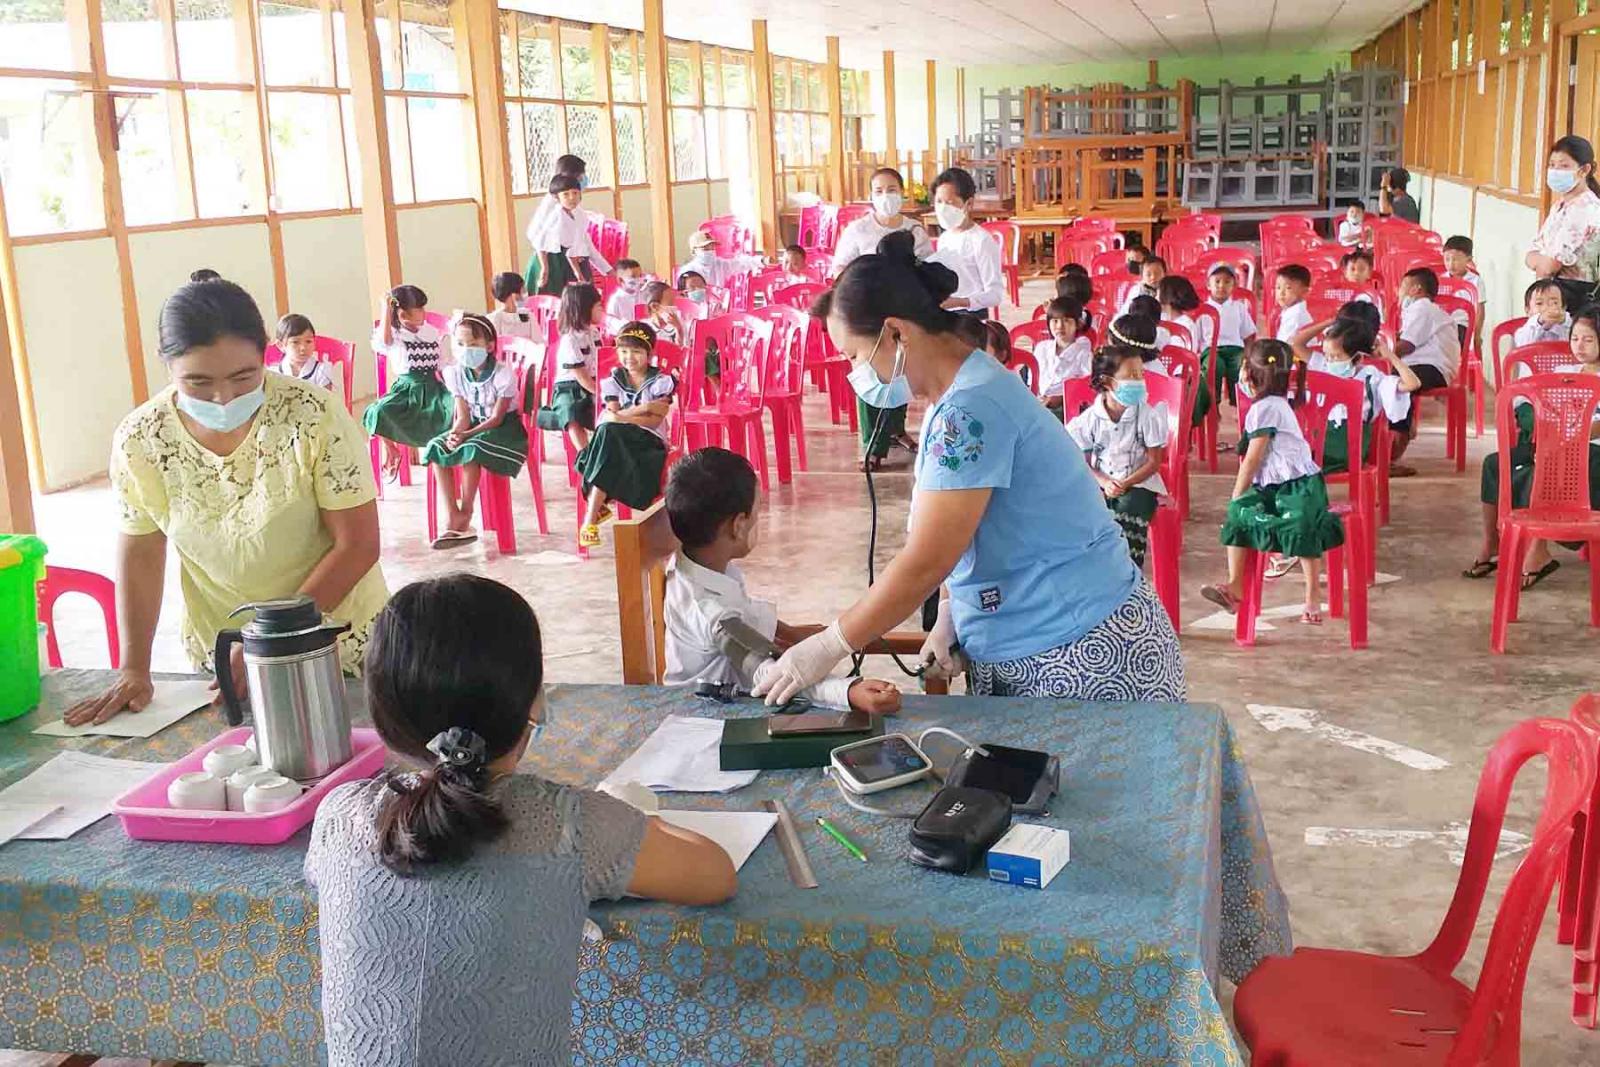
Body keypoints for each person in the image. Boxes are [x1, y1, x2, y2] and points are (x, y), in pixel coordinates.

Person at [306, 574, 735, 1067]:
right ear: (533, 705)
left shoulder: (338, 817)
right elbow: (714, 874)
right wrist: (625, 818)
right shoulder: (567, 824)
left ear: (382, 714)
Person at [751, 230, 1185, 704]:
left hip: (1079, 652)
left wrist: (828, 645)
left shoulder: (968, 410)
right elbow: (967, 531)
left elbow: (928, 559)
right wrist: (952, 613)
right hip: (1047, 636)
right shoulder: (965, 389)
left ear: (895, 333)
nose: (857, 372)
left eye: (855, 355)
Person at [65, 280, 387, 725]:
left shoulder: (312, 416)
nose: (223, 398)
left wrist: (269, 641)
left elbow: (357, 545)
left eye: (243, 377)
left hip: (331, 638)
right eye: (198, 382)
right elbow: (141, 551)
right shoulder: (142, 439)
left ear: (265, 355)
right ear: (167, 365)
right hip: (223, 653)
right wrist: (134, 668)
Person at [662, 447, 902, 713]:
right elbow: (769, 675)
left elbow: (744, 616)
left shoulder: (696, 566)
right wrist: (847, 692)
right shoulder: (711, 614)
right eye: (758, 511)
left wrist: (789, 633)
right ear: (738, 526)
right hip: (706, 718)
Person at [1201, 340, 1344, 626]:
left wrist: (1236, 493)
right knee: (1238, 514)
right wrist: (1239, 502)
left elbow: (1252, 459)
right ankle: (1234, 586)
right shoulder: (1269, 404)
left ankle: (1312, 595)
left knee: (1301, 525)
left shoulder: (1267, 408)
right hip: (1271, 486)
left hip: (1300, 486)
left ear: (1249, 373)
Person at [1465, 305, 1600, 585]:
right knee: (1495, 464)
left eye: (1588, 339)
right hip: (1559, 445)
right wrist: (1550, 444)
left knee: (1544, 472)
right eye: (1575, 338)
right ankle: (1492, 542)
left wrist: (1565, 445)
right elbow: (1548, 415)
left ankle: (1539, 549)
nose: (1579, 346)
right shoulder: (1565, 371)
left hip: (1592, 452)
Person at [833, 168, 936, 468]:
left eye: (891, 190)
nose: (886, 196)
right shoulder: (858, 230)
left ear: (902, 193)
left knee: (901, 371)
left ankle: (895, 429)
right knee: (871, 375)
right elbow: (839, 269)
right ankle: (872, 445)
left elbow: (929, 269)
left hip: (905, 311)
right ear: (870, 196)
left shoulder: (915, 231)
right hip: (867, 315)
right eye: (879, 191)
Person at [419, 314, 527, 550]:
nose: (466, 350)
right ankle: (453, 513)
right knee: (438, 447)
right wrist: (455, 433)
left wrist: (466, 436)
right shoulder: (455, 373)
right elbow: (463, 417)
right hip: (473, 425)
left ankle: (466, 513)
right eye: (461, 344)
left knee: (471, 450)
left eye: (474, 344)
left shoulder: (502, 374)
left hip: (503, 429)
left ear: (489, 346)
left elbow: (497, 418)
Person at [574, 322, 675, 548]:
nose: (629, 357)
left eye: (636, 351)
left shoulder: (660, 381)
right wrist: (644, 407)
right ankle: (590, 518)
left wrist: (621, 417)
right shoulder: (614, 380)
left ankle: (592, 514)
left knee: (607, 434)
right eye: (624, 351)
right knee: (609, 434)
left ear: (649, 353)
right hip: (616, 441)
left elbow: (655, 420)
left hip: (649, 442)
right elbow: (613, 413)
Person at [1066, 345, 1168, 569]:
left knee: (1130, 505)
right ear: (1107, 381)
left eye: (1141, 374)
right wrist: (1103, 481)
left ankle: (1127, 568)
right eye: (1131, 376)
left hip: (1138, 483)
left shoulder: (1147, 415)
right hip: (1102, 482)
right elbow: (1080, 461)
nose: (1139, 381)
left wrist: (1125, 483)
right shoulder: (1089, 419)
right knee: (1085, 507)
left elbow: (1154, 462)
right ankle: (1095, 568)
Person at [1288, 312, 1418, 475]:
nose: (1330, 361)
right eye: (1327, 355)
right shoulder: (1324, 366)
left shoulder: (1372, 378)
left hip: (1348, 446)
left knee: (1291, 460)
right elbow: (1296, 344)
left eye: (1336, 356)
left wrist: (1390, 356)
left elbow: (1413, 383)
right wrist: (1331, 322)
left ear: (1357, 358)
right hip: (1320, 438)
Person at [364, 284, 453, 481]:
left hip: (433, 388)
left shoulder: (431, 332)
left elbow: (443, 364)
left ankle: (441, 453)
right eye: (419, 309)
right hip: (406, 391)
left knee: (455, 410)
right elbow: (384, 342)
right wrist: (386, 309)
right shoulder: (394, 335)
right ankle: (392, 450)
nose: (424, 312)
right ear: (403, 314)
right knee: (377, 412)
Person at [1389, 267, 1461, 472]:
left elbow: (1406, 346)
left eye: (1403, 286)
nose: (1399, 291)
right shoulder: (1420, 310)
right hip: (1427, 366)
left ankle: (1393, 450)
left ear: (1416, 289)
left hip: (1432, 368)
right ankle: (1402, 429)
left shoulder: (1422, 308)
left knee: (1395, 385)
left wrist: (1376, 354)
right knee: (1390, 380)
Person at [1527, 135, 1600, 306]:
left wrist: (1541, 261)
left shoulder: (1585, 208)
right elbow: (1532, 252)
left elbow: (1550, 266)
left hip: (1574, 299)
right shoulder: (1560, 205)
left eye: (1564, 166)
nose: (1556, 171)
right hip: (1553, 294)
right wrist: (1540, 260)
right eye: (1552, 165)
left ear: (1584, 170)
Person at [523, 155, 609, 292]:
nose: (584, 180)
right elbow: (536, 236)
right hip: (552, 262)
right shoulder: (553, 206)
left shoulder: (576, 209)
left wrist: (607, 269)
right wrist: (545, 267)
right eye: (581, 177)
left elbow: (583, 240)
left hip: (569, 261)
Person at [927, 167, 1005, 319]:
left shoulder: (981, 241)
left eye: (950, 203)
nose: (943, 209)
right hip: (946, 312)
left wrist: (960, 302)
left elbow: (995, 295)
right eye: (939, 202)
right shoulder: (945, 238)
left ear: (968, 204)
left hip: (972, 316)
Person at [534, 283, 602, 452]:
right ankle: (585, 455)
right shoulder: (570, 340)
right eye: (598, 306)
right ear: (583, 309)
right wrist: (601, 393)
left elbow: (601, 363)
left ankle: (602, 450)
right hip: (568, 387)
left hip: (593, 383)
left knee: (608, 410)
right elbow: (581, 376)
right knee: (571, 412)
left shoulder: (594, 333)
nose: (602, 310)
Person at [1205, 264, 1257, 407]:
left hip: (1236, 349)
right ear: (1208, 285)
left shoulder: (1239, 307)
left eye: (1227, 282)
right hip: (1211, 350)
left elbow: (1248, 335)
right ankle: (1212, 405)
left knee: (1239, 366)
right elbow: (1197, 338)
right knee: (1214, 366)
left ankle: (1238, 403)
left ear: (1234, 286)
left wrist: (1248, 355)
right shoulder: (1204, 309)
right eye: (1217, 281)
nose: (1222, 286)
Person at [1034, 296, 1092, 417]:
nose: (1060, 326)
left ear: (1078, 324)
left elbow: (1086, 389)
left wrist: (1061, 398)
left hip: (1067, 408)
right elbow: (1033, 380)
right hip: (1038, 402)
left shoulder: (1083, 355)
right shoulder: (1041, 348)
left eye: (1067, 321)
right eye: (1055, 321)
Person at [677, 229, 764, 290]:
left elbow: (740, 263)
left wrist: (761, 261)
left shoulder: (719, 265)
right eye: (705, 248)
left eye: (712, 247)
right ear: (694, 251)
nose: (709, 251)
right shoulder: (687, 271)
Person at [271, 313, 335, 392]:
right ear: (281, 345)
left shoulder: (321, 371)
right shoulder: (273, 373)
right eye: (295, 342)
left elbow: (326, 398)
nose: (303, 348)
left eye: (308, 341)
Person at [1442, 236, 1484, 333]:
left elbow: (1480, 311)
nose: (1451, 264)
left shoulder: (1476, 281)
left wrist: (1477, 334)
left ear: (1468, 260)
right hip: (1443, 324)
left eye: (1456, 260)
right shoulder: (1441, 280)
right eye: (1447, 259)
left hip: (1463, 325)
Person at [1516, 278, 1573, 345]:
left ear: (1564, 308)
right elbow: (1524, 344)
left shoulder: (1569, 326)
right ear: (1527, 310)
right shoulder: (1523, 332)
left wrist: (1563, 321)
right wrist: (1540, 321)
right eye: (1539, 303)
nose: (1546, 308)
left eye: (1554, 303)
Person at [487, 271, 535, 342]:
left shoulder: (526, 314)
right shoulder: (495, 319)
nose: (526, 293)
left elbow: (539, 342)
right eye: (523, 290)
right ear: (513, 295)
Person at [1274, 264, 1313, 343]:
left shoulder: (1295, 316)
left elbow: (1282, 345)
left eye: (1288, 288)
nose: (1281, 293)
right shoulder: (1291, 311)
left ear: (1304, 292)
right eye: (1278, 287)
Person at [643, 280, 688, 346]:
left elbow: (681, 349)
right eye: (670, 303)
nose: (674, 307)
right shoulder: (644, 329)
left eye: (674, 302)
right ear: (654, 307)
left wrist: (678, 329)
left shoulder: (680, 324)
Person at [605, 258, 648, 323]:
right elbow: (611, 322)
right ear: (620, 280)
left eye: (640, 276)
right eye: (633, 277)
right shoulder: (616, 300)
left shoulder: (643, 295)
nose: (638, 279)